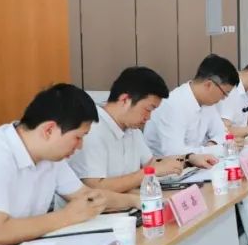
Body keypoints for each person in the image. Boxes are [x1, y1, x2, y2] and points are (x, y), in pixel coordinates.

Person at [0, 84, 139, 245]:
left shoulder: (50, 156)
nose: (80, 146)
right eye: (78, 137)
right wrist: (67, 216)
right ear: (48, 130)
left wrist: (137, 201)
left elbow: (87, 196)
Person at [70, 67, 215, 193]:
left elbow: (151, 163)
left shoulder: (132, 129)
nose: (148, 117)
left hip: (130, 205)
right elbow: (95, 187)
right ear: (125, 100)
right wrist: (147, 173)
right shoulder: (91, 129)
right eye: (148, 109)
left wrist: (189, 158)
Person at [144, 54, 238, 156]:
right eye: (224, 93)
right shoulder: (174, 105)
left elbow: (222, 134)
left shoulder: (208, 103)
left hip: (196, 163)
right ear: (209, 85)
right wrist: (214, 150)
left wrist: (213, 143)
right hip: (168, 164)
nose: (223, 98)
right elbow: (174, 152)